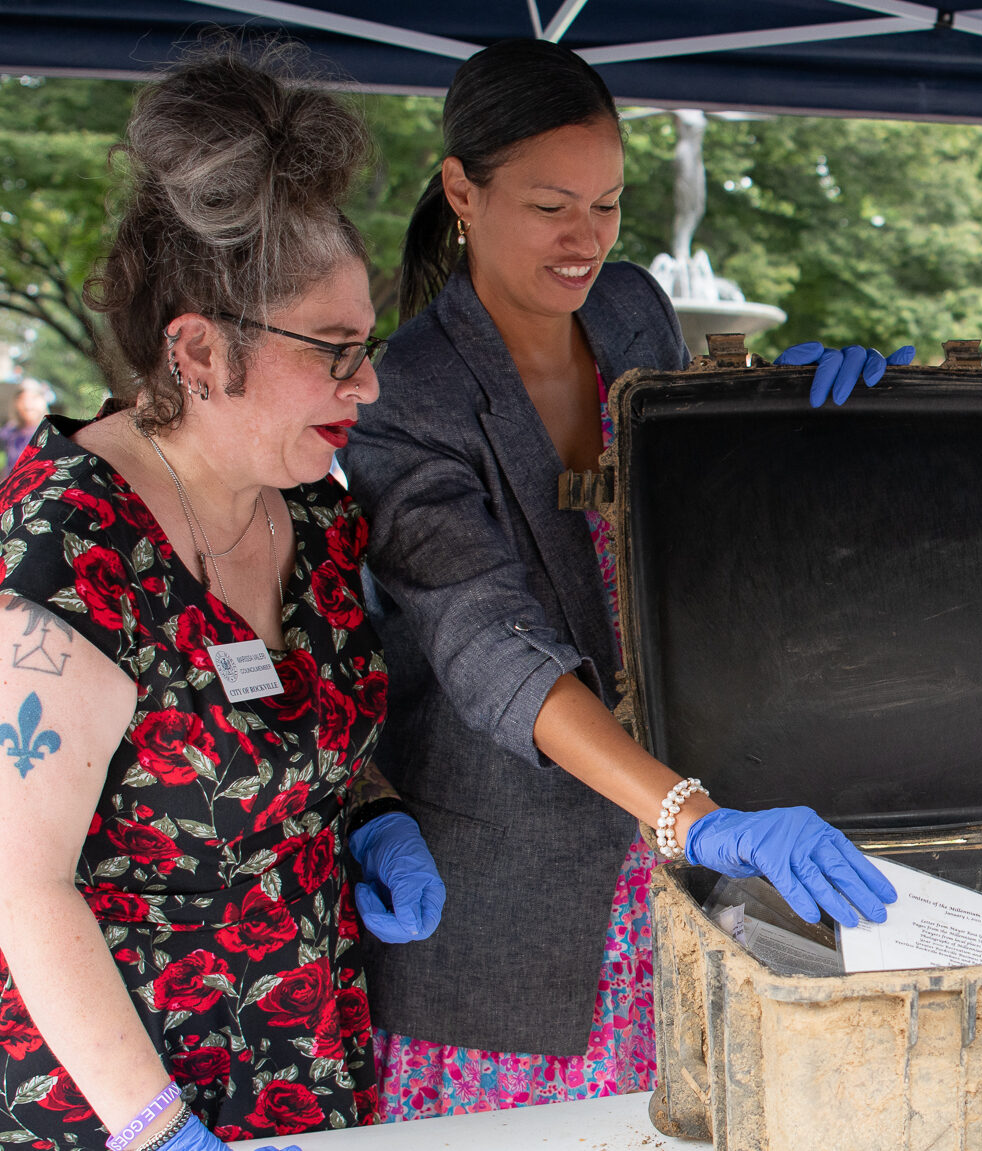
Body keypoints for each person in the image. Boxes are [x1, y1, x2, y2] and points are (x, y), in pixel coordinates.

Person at [341, 38, 900, 1120]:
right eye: (551, 205)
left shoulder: (632, 312)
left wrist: (785, 417)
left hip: (671, 903)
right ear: (461, 187)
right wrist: (692, 814)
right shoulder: (404, 392)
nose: (585, 240)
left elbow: (693, 516)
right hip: (501, 918)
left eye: (607, 205)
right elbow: (483, 639)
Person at [0, 44, 446, 1149]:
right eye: (334, 349)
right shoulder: (67, 551)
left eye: (369, 343)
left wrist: (372, 809)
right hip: (112, 1109)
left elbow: (281, 743)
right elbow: (21, 884)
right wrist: (156, 1126)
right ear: (197, 348)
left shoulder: (320, 518)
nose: (370, 382)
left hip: (305, 1080)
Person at [0, 379, 52, 469]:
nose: (28, 405)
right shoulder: (10, 431)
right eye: (22, 399)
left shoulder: (54, 433)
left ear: (43, 401)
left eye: (34, 398)